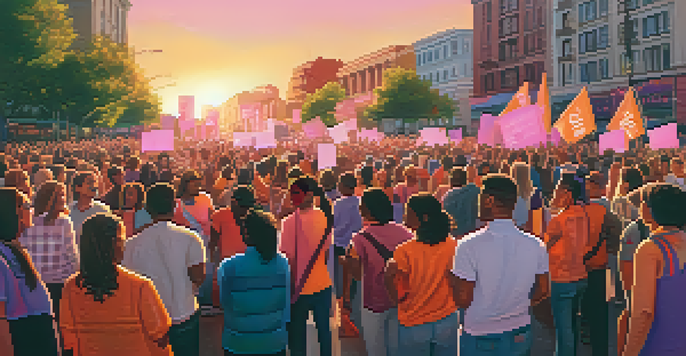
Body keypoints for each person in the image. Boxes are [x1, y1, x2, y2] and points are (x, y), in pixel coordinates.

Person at [451, 174, 550, 355]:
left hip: (480, 333)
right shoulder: (536, 244)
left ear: (489, 200)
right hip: (520, 329)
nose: (477, 202)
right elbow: (543, 289)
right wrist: (520, 304)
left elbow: (462, 299)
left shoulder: (468, 245)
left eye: (480, 196)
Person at [60, 213, 173, 356]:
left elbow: (69, 340)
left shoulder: (71, 288)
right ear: (112, 244)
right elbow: (160, 336)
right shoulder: (140, 287)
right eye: (121, 240)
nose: (124, 245)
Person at [121, 183, 206, 356]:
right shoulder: (191, 238)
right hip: (183, 315)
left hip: (147, 320)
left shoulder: (130, 245)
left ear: (146, 207)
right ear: (175, 205)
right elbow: (198, 277)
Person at [341, 188, 413, 356]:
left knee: (376, 350)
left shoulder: (359, 239)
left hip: (374, 301)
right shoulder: (405, 233)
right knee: (396, 348)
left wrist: (346, 263)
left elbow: (358, 275)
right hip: (401, 298)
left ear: (366, 210)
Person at [384, 194, 458, 356]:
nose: (404, 216)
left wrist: (388, 276)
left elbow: (395, 296)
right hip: (446, 319)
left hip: (414, 323)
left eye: (408, 212)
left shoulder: (404, 251)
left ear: (424, 217)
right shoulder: (452, 244)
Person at [620, 183, 686, 356]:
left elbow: (643, 311)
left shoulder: (649, 249)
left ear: (650, 209)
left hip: (658, 346)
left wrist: (630, 351)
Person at [217, 209, 290, 356]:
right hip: (273, 342)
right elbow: (285, 303)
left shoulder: (229, 266)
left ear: (246, 234)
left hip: (238, 343)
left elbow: (224, 302)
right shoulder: (282, 263)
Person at [545, 173, 602, 356]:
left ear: (567, 194)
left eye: (558, 190)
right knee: (572, 323)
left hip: (562, 277)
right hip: (581, 275)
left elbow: (544, 247)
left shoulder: (559, 220)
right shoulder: (585, 214)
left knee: (563, 329)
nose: (554, 194)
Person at [0, 187, 60, 356]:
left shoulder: (15, 249)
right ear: (12, 212)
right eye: (26, 205)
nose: (31, 210)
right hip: (22, 336)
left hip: (37, 335)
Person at [278, 176, 334, 356]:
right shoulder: (324, 217)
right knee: (324, 333)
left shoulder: (288, 223)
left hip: (298, 289)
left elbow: (286, 259)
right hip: (322, 283)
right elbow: (325, 253)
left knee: (297, 337)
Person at [19, 180, 78, 329]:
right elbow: (71, 255)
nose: (63, 199)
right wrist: (78, 275)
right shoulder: (64, 222)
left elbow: (22, 248)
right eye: (61, 195)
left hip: (33, 281)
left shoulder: (29, 219)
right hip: (59, 283)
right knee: (58, 325)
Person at [173, 170, 215, 309]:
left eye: (198, 184)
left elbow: (212, 217)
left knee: (206, 271)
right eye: (194, 185)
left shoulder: (205, 198)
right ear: (185, 185)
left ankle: (205, 303)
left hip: (204, 242)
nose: (198, 187)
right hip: (183, 245)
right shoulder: (177, 203)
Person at [69, 171, 111, 245]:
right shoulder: (68, 211)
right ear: (77, 188)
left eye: (95, 182)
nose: (94, 186)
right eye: (89, 183)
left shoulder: (102, 210)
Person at [441, 167, 480, 238]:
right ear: (466, 180)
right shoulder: (475, 191)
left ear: (451, 182)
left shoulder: (448, 196)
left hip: (454, 235)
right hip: (474, 234)